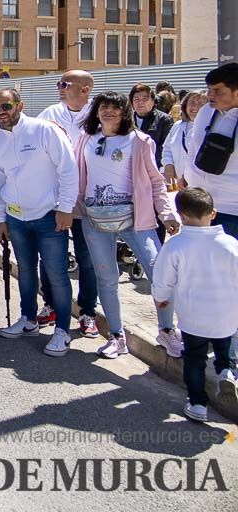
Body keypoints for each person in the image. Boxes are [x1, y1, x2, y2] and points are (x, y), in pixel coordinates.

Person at [74, 92, 182, 359]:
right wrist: (69, 210)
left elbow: (156, 181)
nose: (108, 112)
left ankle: (167, 330)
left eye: (115, 108)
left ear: (125, 112)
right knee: (107, 278)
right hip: (94, 220)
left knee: (160, 273)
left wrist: (166, 214)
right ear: (96, 111)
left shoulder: (140, 141)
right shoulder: (86, 138)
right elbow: (75, 177)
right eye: (103, 107)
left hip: (136, 219)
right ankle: (116, 335)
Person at [0, 88, 79, 357]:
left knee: (57, 275)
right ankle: (28, 319)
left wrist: (65, 209)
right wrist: (2, 219)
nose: (1, 113)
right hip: (16, 220)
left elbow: (68, 168)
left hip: (50, 217)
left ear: (20, 105)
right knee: (25, 271)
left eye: (6, 106)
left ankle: (62, 330)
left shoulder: (44, 130)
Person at [151, 188, 238, 423]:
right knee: (225, 346)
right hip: (227, 316)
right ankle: (226, 372)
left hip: (193, 318)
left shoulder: (175, 246)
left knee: (195, 359)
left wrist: (161, 298)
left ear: (181, 215)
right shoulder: (231, 244)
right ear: (214, 213)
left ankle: (198, 404)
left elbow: (162, 280)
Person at [34, 70, 100, 335]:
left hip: (87, 200)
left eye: (65, 84)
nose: (59, 88)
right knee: (51, 257)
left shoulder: (98, 114)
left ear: (84, 90)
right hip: (55, 199)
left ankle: (87, 312)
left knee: (88, 258)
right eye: (58, 84)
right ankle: (49, 304)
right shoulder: (49, 114)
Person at [185, 62, 238, 239]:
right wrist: (188, 176)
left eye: (217, 91)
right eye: (209, 89)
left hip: (232, 211)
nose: (210, 96)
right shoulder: (206, 111)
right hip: (198, 206)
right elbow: (194, 146)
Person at [164, 91, 207, 189]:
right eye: (192, 102)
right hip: (179, 184)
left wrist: (187, 176)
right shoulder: (177, 125)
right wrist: (168, 164)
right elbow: (167, 148)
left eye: (201, 104)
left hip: (198, 185)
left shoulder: (208, 129)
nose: (195, 106)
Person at [131, 83, 174, 168]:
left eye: (145, 99)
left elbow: (165, 148)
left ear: (153, 101)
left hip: (153, 168)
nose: (140, 102)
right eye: (136, 99)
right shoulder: (127, 119)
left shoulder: (164, 120)